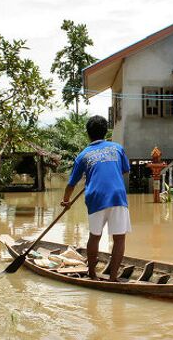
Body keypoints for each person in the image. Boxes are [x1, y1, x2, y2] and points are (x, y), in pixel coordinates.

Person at [61, 115, 131, 282]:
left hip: (96, 197)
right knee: (119, 238)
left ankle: (92, 274)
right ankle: (113, 278)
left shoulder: (83, 155)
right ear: (106, 132)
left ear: (88, 134)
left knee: (95, 236)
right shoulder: (117, 148)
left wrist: (66, 201)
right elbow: (124, 170)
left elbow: (71, 183)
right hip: (117, 195)